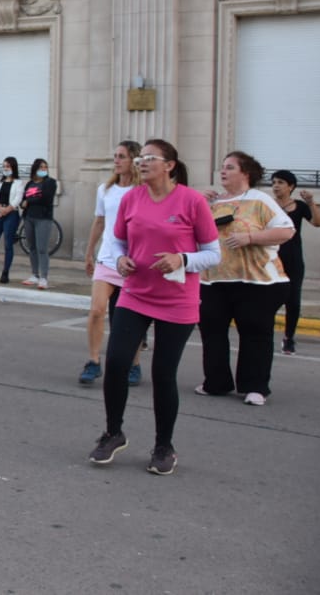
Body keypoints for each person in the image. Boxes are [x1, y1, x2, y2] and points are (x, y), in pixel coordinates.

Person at [90, 139, 220, 474]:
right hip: (136, 292)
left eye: (150, 158)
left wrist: (183, 258)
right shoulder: (132, 197)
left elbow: (213, 252)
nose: (142, 162)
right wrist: (120, 259)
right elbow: (117, 239)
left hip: (177, 300)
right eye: (141, 157)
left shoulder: (191, 201)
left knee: (163, 374)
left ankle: (164, 446)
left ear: (170, 165)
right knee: (117, 362)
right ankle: (113, 432)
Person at [196, 151, 294, 406]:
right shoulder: (213, 203)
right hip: (214, 280)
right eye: (222, 167)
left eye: (230, 167)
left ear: (245, 173)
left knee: (255, 332)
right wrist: (198, 202)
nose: (223, 172)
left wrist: (250, 238)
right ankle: (216, 383)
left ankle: (255, 387)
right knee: (211, 331)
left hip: (257, 282)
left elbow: (286, 230)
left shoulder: (261, 200)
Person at [78, 141, 143, 386]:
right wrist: (88, 253)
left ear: (134, 160)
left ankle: (134, 364)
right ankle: (93, 362)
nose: (116, 161)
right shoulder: (106, 190)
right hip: (107, 258)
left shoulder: (142, 191)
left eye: (122, 156)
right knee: (97, 310)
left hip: (133, 261)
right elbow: (99, 222)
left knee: (127, 319)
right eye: (115, 156)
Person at [269, 170, 320, 354]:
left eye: (280, 182)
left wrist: (311, 203)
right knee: (269, 298)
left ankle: (289, 337)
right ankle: (263, 333)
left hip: (293, 260)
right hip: (271, 259)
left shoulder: (299, 206)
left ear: (291, 186)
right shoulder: (267, 205)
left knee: (293, 301)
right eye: (274, 182)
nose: (276, 185)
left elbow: (317, 222)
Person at [21, 158, 57, 289]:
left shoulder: (50, 182)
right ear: (35, 169)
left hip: (43, 218)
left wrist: (29, 201)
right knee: (32, 248)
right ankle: (34, 274)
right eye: (41, 167)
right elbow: (23, 200)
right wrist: (24, 203)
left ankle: (44, 277)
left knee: (42, 249)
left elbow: (46, 199)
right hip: (29, 217)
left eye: (45, 167)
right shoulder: (30, 183)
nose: (43, 169)